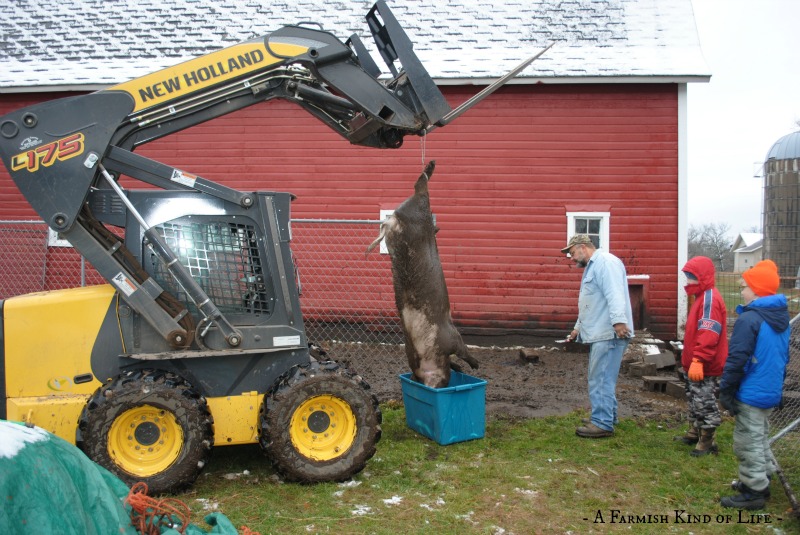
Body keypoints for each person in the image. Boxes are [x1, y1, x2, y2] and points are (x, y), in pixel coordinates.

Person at [719, 260, 790, 510]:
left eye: (744, 287)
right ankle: (762, 478)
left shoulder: (750, 320)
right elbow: (782, 358)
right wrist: (778, 389)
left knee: (747, 441)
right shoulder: (781, 319)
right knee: (760, 438)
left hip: (751, 392)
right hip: (769, 390)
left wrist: (726, 388)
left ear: (757, 290)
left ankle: (754, 492)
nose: (741, 291)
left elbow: (738, 357)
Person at [561, 234, 634, 438]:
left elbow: (614, 293)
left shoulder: (605, 263)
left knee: (600, 378)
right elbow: (591, 303)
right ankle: (607, 415)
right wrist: (578, 328)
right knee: (603, 377)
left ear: (583, 247)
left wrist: (619, 322)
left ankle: (602, 422)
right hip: (602, 331)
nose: (572, 258)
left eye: (573, 253)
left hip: (609, 333)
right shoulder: (593, 266)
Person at [674, 256, 728, 456]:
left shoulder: (709, 300)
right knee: (694, 398)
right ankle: (695, 431)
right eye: (687, 276)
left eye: (691, 277)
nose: (687, 281)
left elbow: (708, 334)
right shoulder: (701, 297)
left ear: (702, 277)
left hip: (704, 365)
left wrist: (698, 360)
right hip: (695, 363)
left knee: (704, 400)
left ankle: (707, 441)